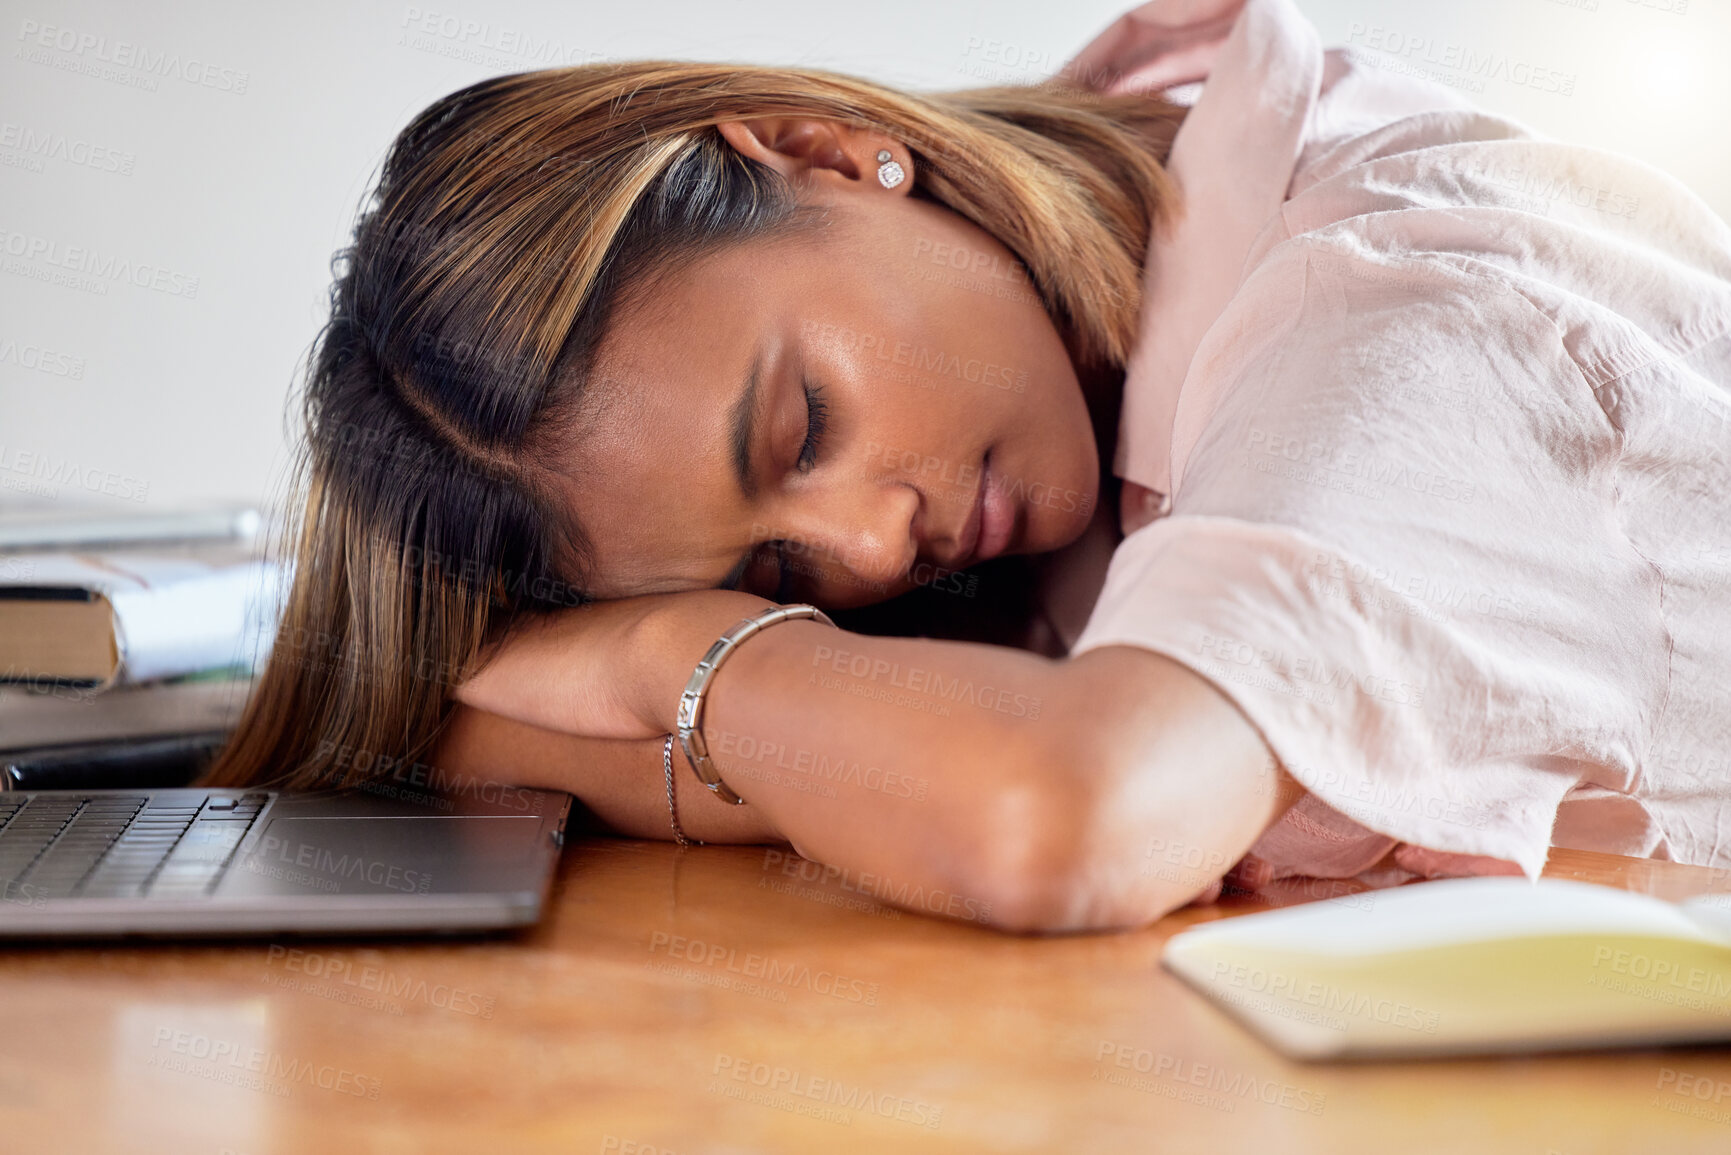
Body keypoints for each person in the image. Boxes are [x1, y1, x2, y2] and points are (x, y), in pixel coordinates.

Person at [205, 0, 1731, 931]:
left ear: (819, 149)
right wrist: (552, 717)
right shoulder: (1059, 334)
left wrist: (682, 654)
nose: (868, 556)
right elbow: (495, 749)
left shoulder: (1406, 309)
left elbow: (1060, 823)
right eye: (771, 572)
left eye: (803, 427)